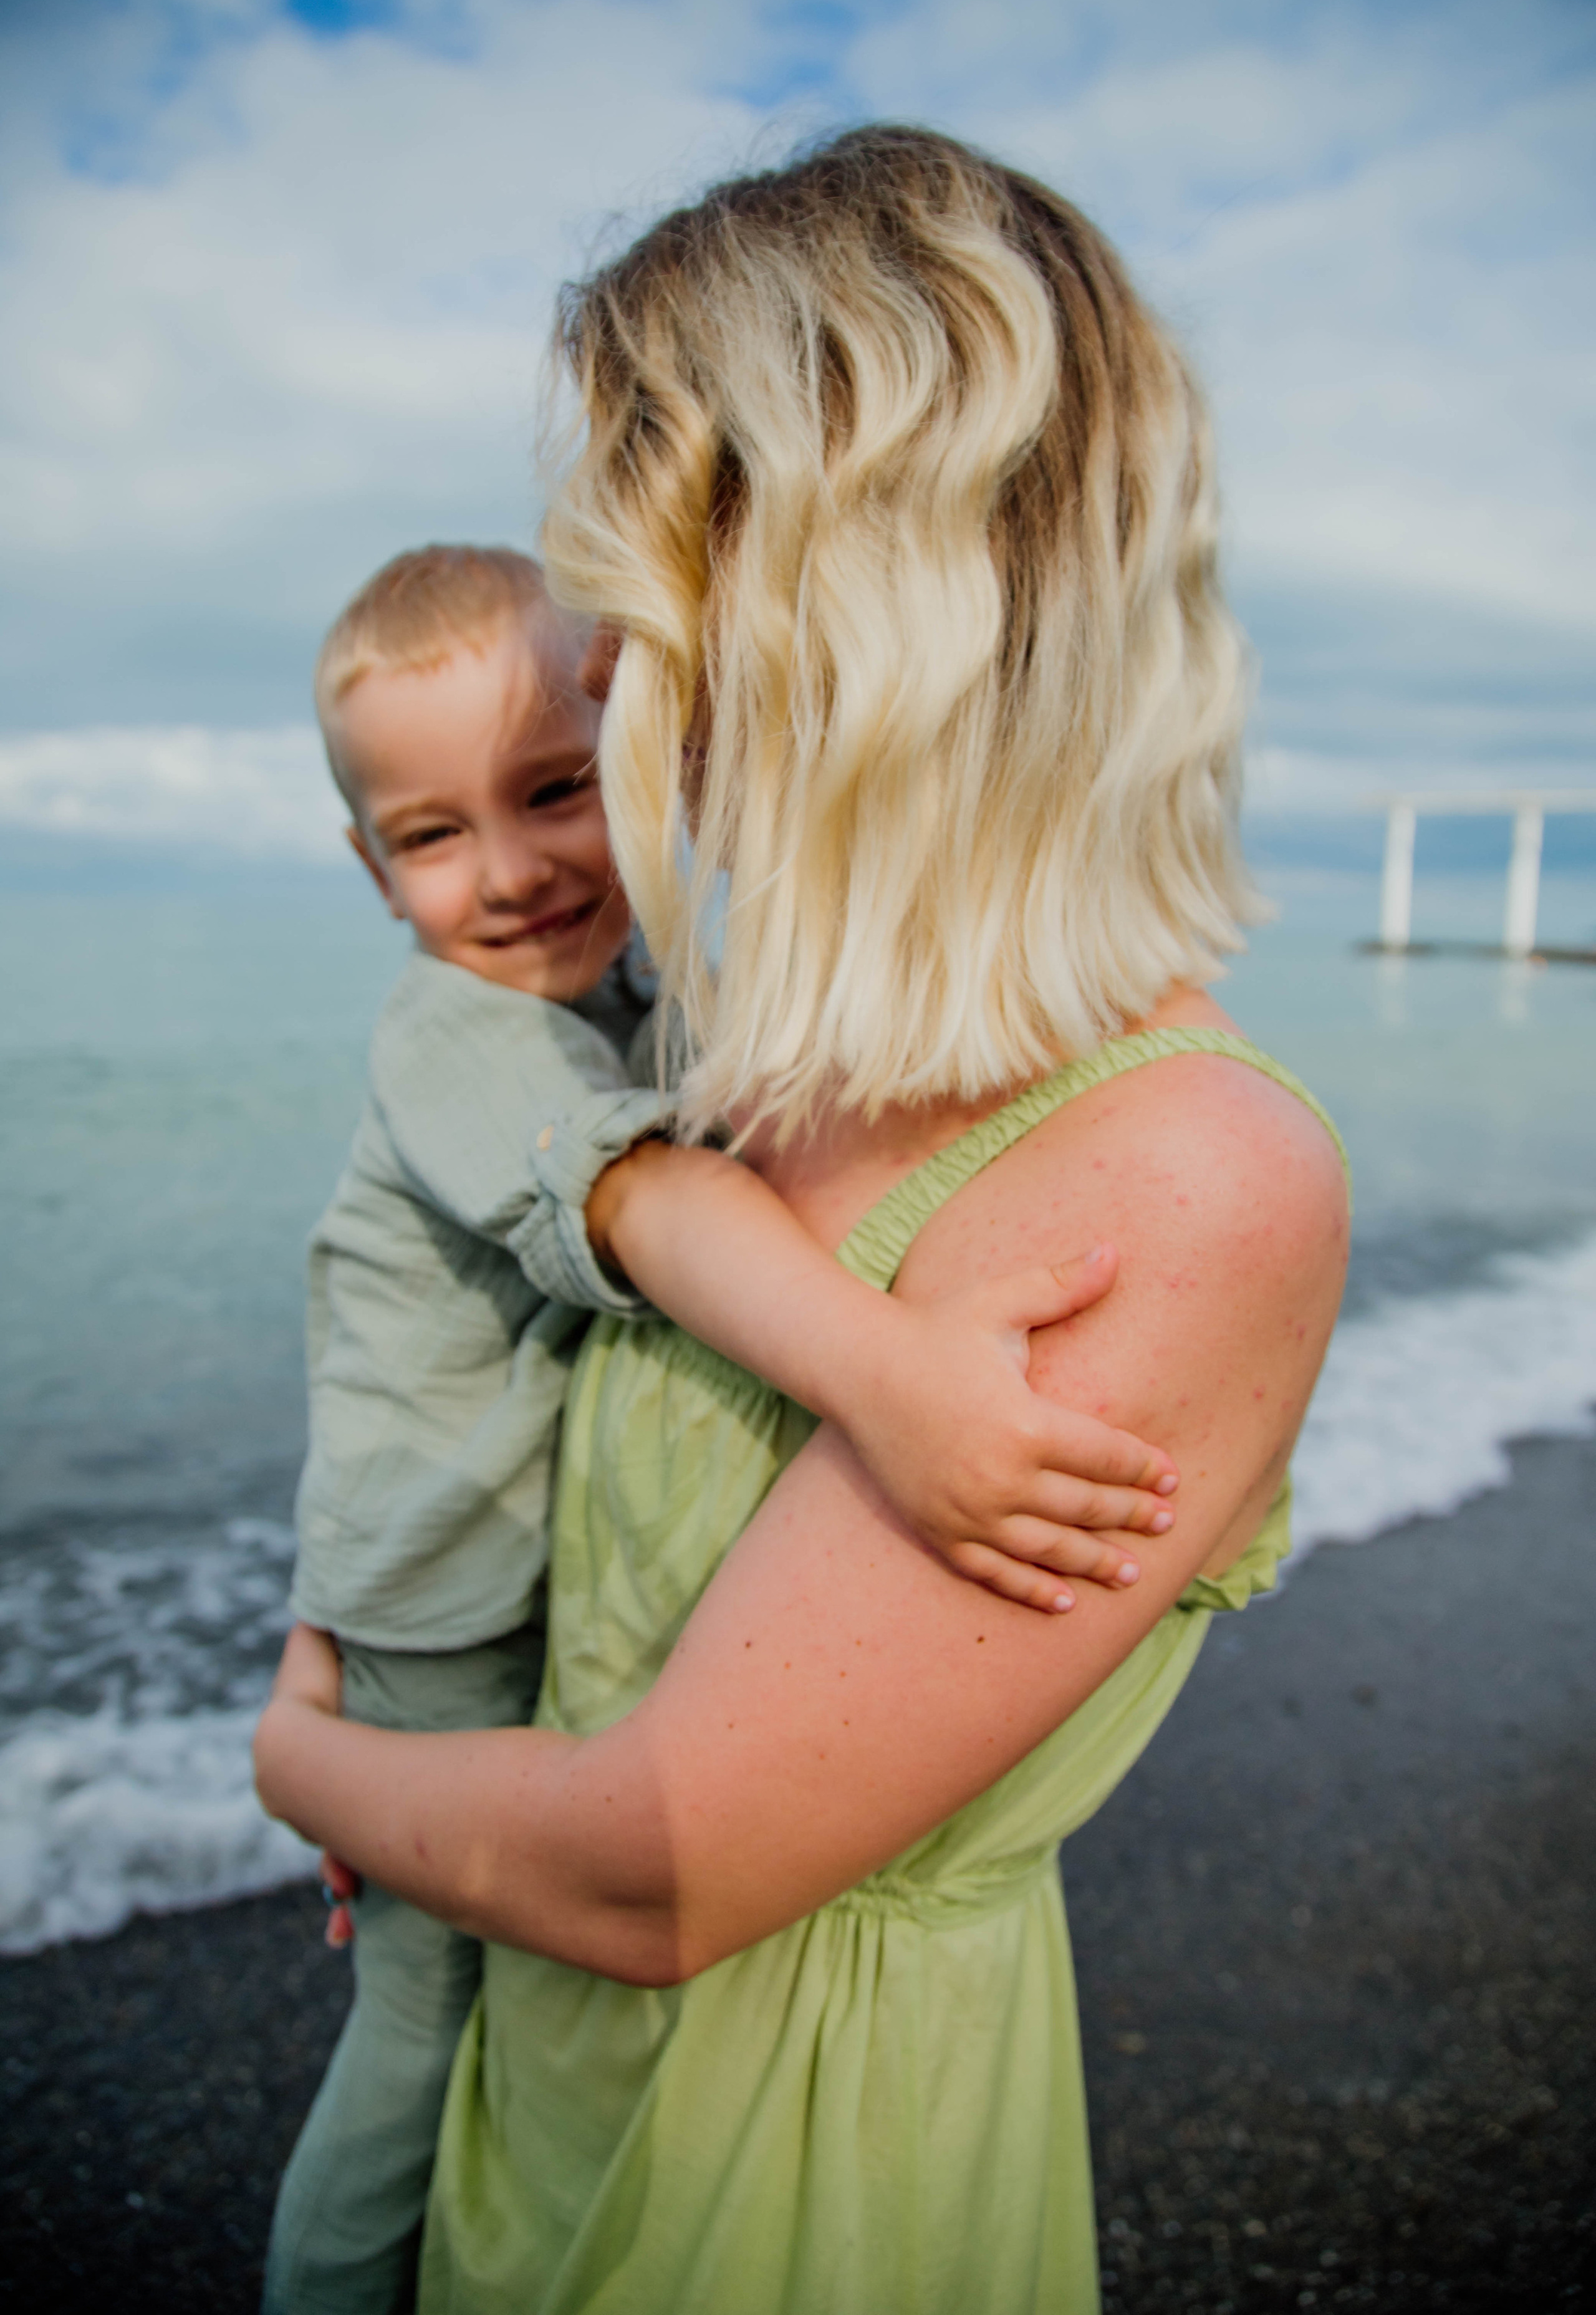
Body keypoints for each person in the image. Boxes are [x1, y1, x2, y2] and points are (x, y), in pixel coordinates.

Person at [256, 127, 1350, 2315]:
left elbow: (664, 1872)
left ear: (846, 612)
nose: (605, 676)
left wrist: (302, 1759)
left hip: (789, 2188)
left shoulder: (1194, 1175)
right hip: (536, 2096)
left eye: (633, 606)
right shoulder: (750, 1052)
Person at [264, 540, 1184, 2313]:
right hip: (442, 1584)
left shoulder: (638, 1000)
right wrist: (886, 1373)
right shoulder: (450, 1034)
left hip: (522, 1566)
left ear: (636, 752)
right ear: (370, 870)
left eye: (553, 791)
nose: (517, 870)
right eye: (437, 834)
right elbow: (649, 1207)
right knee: (423, 2002)